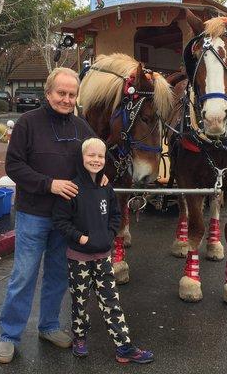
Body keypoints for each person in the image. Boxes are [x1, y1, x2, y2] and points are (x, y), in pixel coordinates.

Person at [0, 67, 99, 364]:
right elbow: (13, 166)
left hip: (66, 220)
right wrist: (49, 184)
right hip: (33, 214)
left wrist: (102, 174)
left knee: (57, 274)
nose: (66, 99)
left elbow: (98, 157)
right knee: (24, 275)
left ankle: (49, 326)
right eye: (61, 93)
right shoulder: (28, 123)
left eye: (71, 94)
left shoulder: (81, 127)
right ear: (48, 93)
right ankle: (9, 335)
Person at [52, 137, 154, 364]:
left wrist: (109, 235)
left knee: (111, 301)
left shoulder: (106, 187)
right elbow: (60, 221)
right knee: (80, 301)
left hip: (103, 257)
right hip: (78, 257)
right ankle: (79, 338)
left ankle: (124, 347)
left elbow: (116, 215)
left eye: (100, 156)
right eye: (91, 155)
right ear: (82, 157)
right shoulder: (71, 187)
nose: (96, 160)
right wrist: (81, 237)